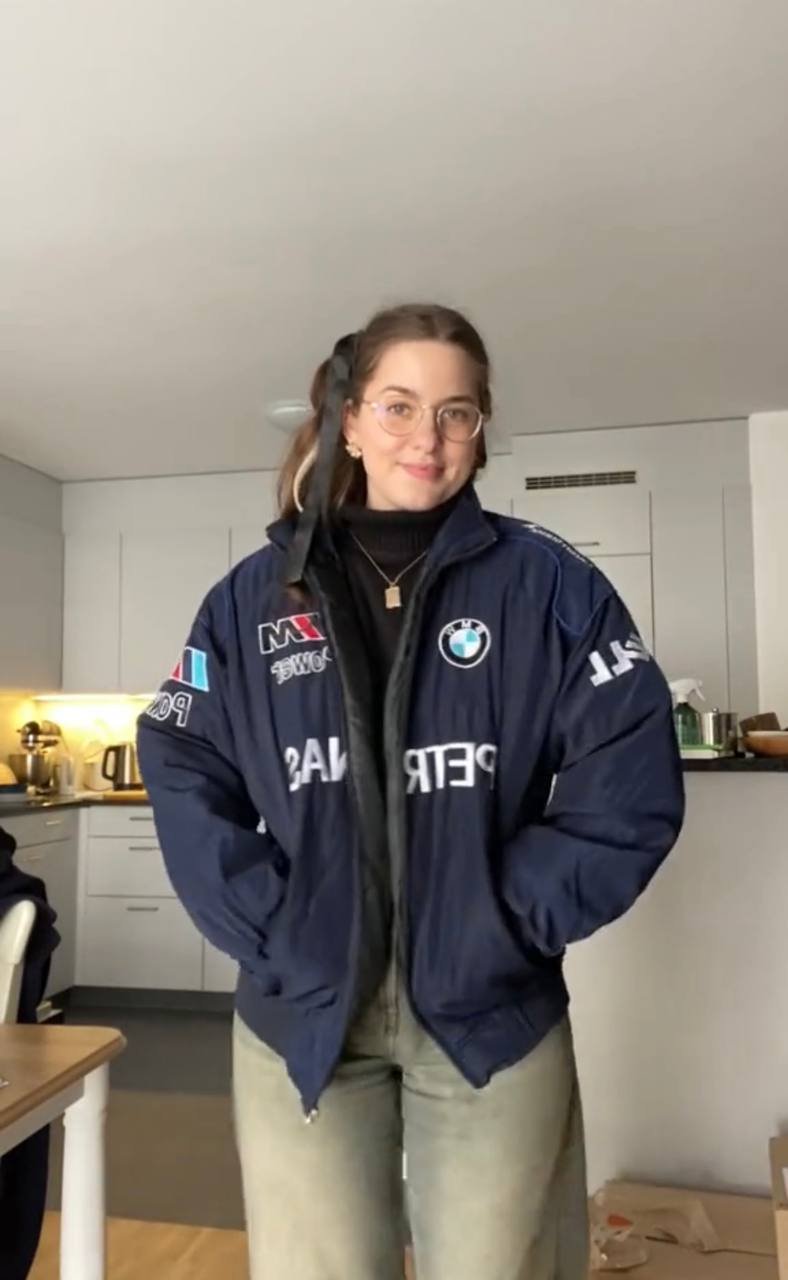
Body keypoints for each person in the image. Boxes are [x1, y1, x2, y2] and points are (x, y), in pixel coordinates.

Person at [137, 302, 684, 1280]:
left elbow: (628, 774)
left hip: (489, 1014)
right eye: (397, 406)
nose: (425, 438)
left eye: (454, 412)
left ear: (480, 428)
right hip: (305, 1009)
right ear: (349, 419)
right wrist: (270, 922)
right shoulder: (251, 599)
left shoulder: (551, 587)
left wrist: (504, 919)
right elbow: (179, 752)